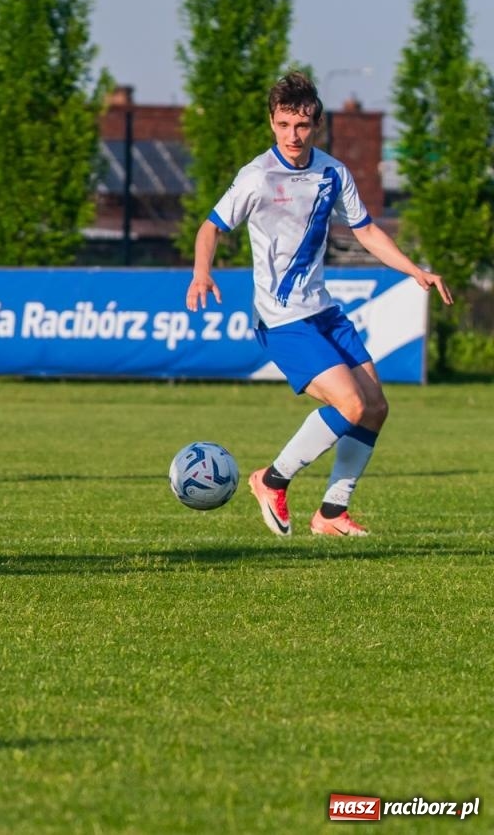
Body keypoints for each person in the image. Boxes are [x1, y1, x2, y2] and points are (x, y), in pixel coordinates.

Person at [186, 71, 452, 538]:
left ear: (316, 124)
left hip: (323, 312)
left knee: (375, 406)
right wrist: (201, 271)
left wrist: (414, 270)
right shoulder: (256, 177)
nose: (293, 135)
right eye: (285, 124)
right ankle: (271, 481)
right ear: (272, 121)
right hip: (282, 319)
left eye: (303, 125)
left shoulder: (332, 173)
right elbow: (210, 227)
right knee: (349, 403)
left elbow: (366, 231)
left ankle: (331, 513)